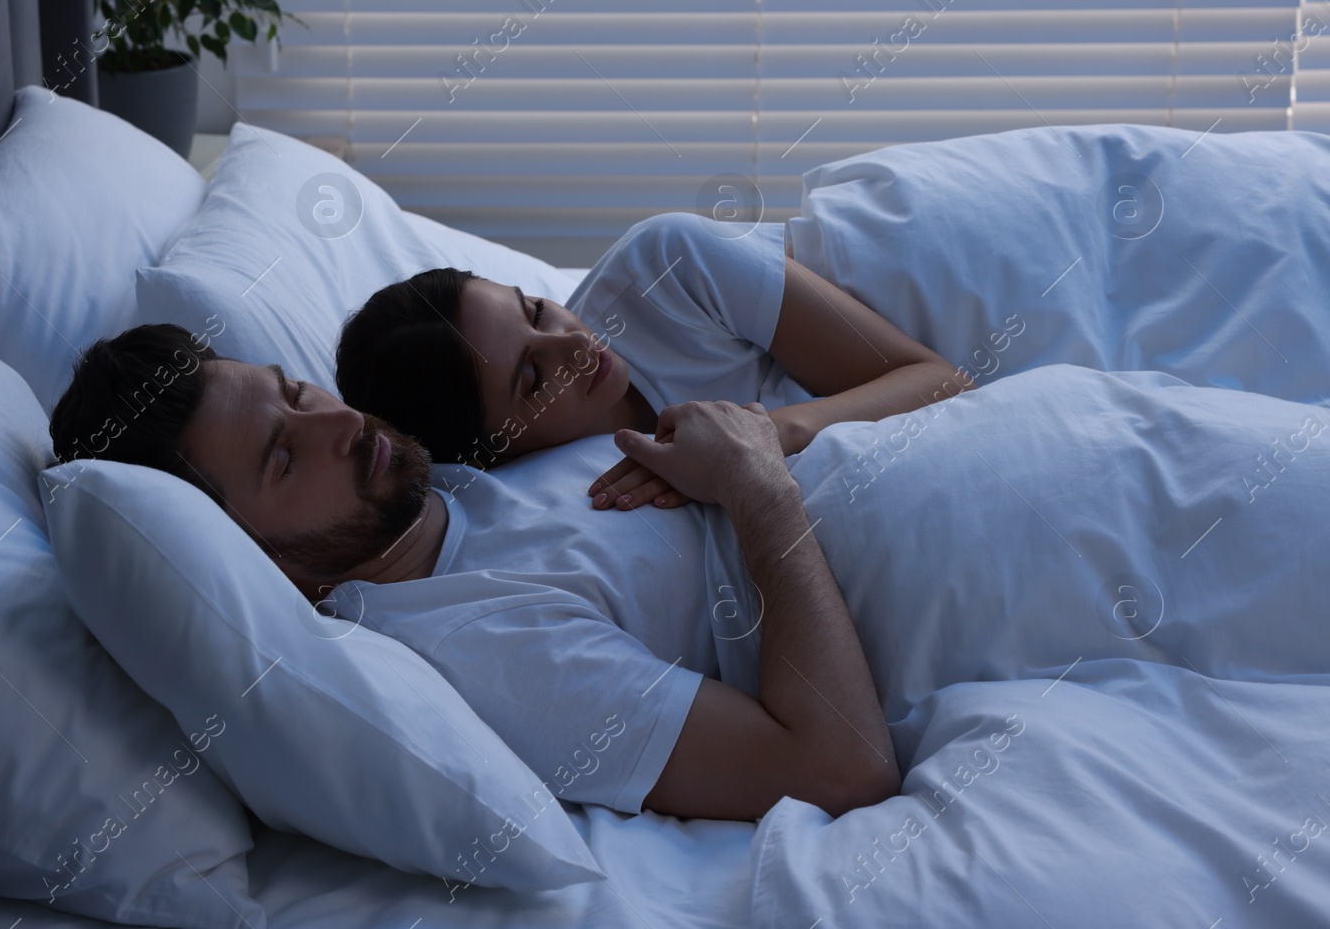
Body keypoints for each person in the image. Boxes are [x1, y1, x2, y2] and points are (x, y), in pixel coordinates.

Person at [49, 324, 900, 823]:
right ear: (249, 559)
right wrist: (759, 485)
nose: (342, 421)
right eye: (282, 455)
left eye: (297, 394)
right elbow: (840, 767)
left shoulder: (448, 490)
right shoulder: (478, 647)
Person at [336, 211, 971, 512]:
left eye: (534, 310)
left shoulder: (670, 265)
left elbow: (944, 383)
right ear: (498, 452)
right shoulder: (552, 500)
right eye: (532, 379)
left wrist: (761, 438)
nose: (577, 346)